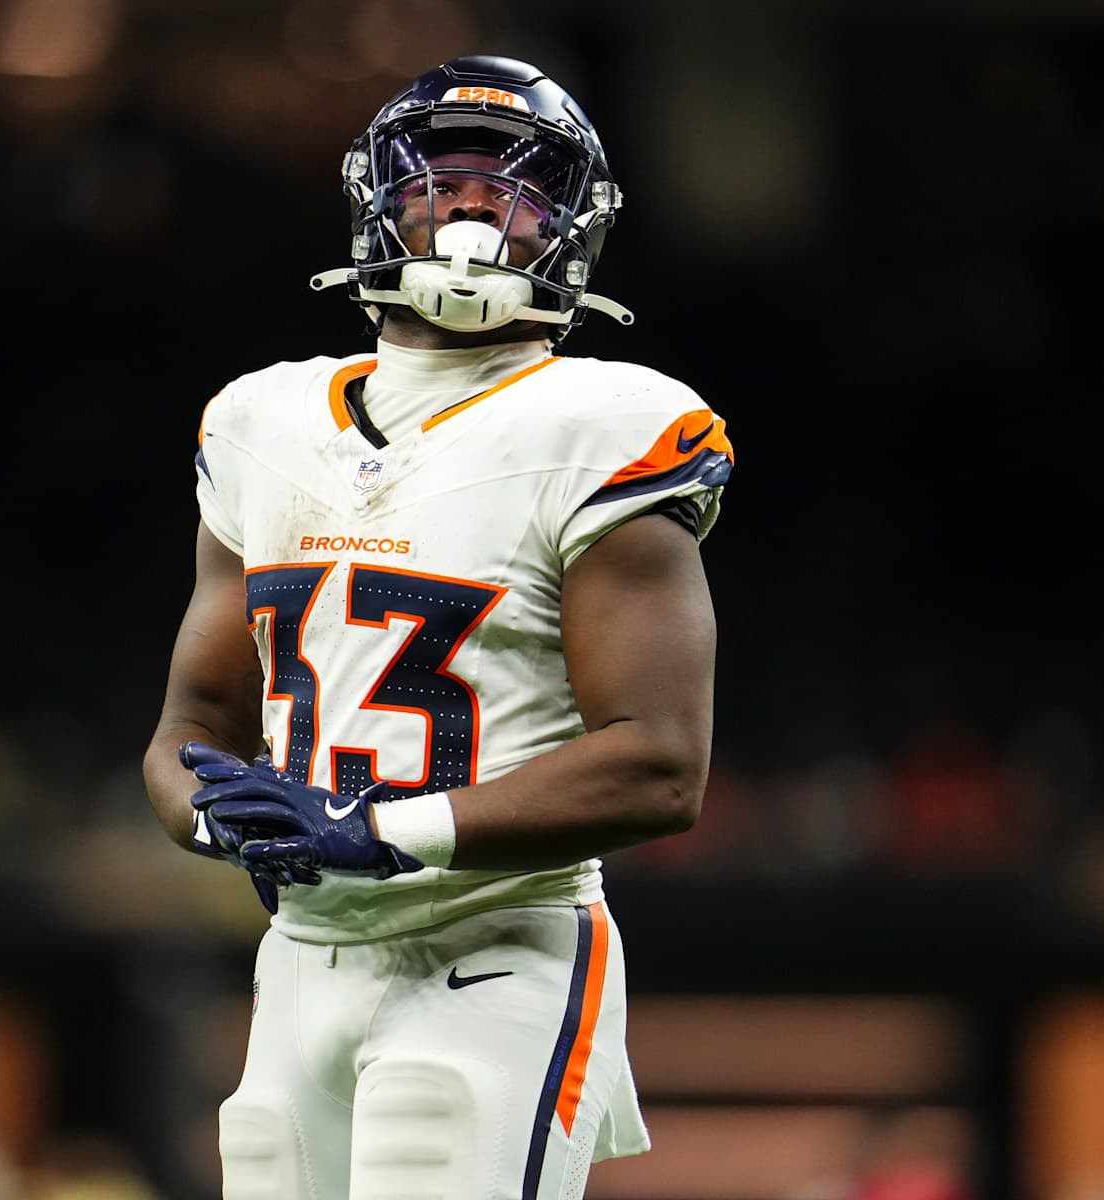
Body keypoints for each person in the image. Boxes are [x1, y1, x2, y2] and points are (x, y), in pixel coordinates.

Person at [142, 54, 733, 1200]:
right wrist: (219, 820)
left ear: (573, 228)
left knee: (433, 1139)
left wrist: (380, 831)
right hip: (304, 952)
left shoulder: (606, 423)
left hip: (496, 942)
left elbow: (662, 766)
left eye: (518, 189)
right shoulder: (261, 421)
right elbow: (191, 724)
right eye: (443, 179)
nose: (473, 209)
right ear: (378, 200)